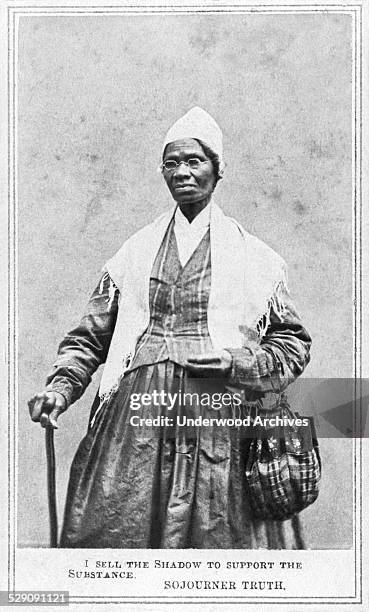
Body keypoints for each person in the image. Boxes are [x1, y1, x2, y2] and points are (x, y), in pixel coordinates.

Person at [29, 107, 311, 549]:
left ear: (218, 170)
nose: (182, 172)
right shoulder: (134, 253)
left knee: (220, 535)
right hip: (136, 420)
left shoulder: (254, 258)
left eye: (194, 161)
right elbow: (91, 335)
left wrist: (234, 361)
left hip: (220, 414)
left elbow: (291, 344)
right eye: (171, 163)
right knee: (117, 527)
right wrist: (61, 388)